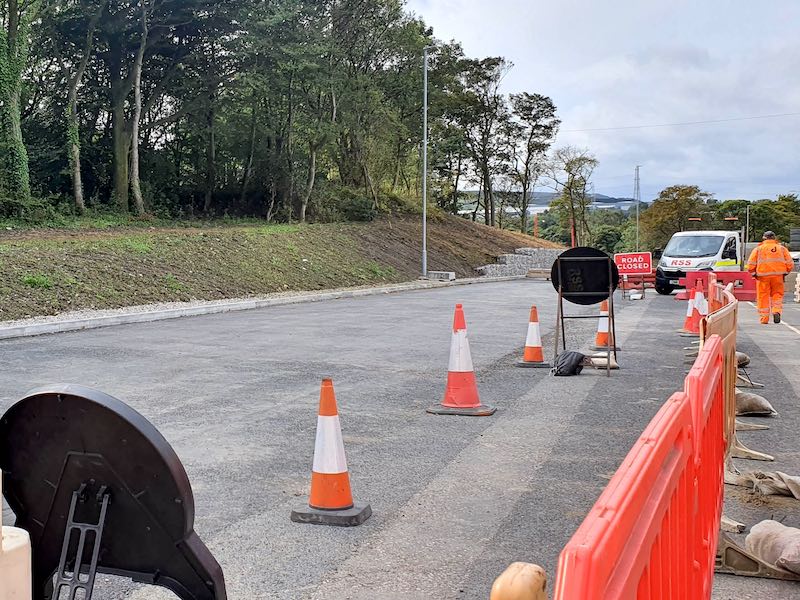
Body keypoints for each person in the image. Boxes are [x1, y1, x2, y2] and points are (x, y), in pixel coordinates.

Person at [747, 231, 794, 324]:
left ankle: (764, 318)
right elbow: (790, 263)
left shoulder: (758, 249)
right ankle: (776, 311)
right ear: (774, 238)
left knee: (763, 296)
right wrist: (785, 273)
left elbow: (750, 265)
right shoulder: (782, 249)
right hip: (778, 276)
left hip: (762, 277)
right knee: (777, 294)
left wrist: (753, 273)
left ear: (764, 238)